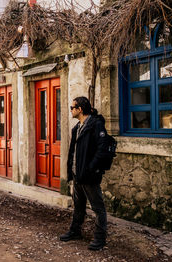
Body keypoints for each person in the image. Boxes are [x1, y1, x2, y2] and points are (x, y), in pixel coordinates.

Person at [60, 96, 109, 251]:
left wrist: (90, 168)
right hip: (78, 174)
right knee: (78, 205)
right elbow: (73, 152)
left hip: (89, 175)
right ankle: (75, 231)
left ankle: (100, 238)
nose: (71, 110)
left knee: (98, 207)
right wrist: (71, 171)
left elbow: (102, 149)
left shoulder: (96, 125)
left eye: (72, 107)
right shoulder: (78, 127)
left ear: (80, 109)